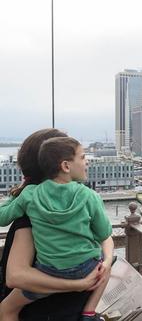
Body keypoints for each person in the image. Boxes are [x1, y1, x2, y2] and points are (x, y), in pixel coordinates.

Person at [0, 134, 113, 321]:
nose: (87, 162)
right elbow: (104, 235)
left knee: (6, 308)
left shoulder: (30, 200)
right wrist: (103, 265)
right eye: (83, 157)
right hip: (85, 274)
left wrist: (17, 193)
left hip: (49, 275)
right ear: (65, 166)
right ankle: (90, 312)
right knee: (101, 259)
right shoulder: (89, 196)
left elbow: (13, 279)